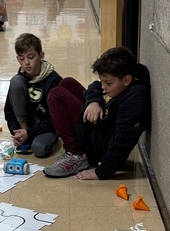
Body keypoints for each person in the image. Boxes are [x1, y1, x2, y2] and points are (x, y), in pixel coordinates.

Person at [43, 46, 150, 180]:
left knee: (56, 95)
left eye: (108, 83)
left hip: (102, 144)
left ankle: (76, 154)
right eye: (102, 81)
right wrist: (94, 101)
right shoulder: (125, 79)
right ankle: (77, 149)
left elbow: (123, 140)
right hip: (102, 121)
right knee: (67, 83)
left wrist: (101, 172)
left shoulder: (134, 100)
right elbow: (95, 86)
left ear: (127, 80)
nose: (104, 87)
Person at [4, 33, 62, 158]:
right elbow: (9, 111)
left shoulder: (54, 81)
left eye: (31, 57)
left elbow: (56, 119)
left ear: (41, 56)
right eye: (22, 59)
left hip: (47, 126)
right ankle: (24, 135)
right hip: (26, 126)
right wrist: (16, 132)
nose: (26, 63)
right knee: (16, 81)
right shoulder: (19, 79)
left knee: (39, 149)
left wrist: (29, 133)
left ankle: (36, 138)